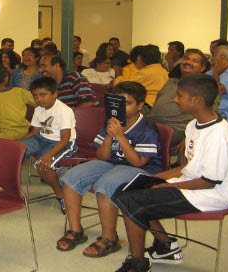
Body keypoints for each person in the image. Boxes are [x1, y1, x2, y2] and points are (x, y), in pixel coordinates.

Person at [111, 74, 228, 272]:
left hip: (212, 194)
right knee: (125, 190)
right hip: (191, 183)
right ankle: (165, 246)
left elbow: (209, 182)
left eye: (179, 95)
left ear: (196, 100)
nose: (174, 99)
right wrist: (152, 179)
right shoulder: (193, 125)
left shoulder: (219, 135)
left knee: (134, 201)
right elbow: (186, 167)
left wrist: (167, 186)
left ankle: (137, 262)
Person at [56, 82, 162, 258]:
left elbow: (138, 162)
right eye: (117, 104)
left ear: (140, 105)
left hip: (142, 169)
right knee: (71, 177)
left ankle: (109, 238)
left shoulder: (146, 128)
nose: (121, 108)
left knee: (106, 186)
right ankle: (76, 230)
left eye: (127, 103)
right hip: (112, 163)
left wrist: (120, 136)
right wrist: (109, 136)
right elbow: (102, 156)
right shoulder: (111, 122)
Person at [21, 76, 77, 212]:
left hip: (63, 142)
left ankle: (60, 194)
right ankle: (11, 190)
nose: (39, 99)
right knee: (14, 151)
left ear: (55, 94)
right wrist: (17, 143)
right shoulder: (39, 109)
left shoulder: (64, 111)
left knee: (43, 166)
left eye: (43, 95)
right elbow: (34, 132)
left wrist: (49, 155)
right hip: (41, 138)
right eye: (35, 96)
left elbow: (65, 139)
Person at [146, 49, 207, 148]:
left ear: (202, 67)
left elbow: (210, 116)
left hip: (177, 128)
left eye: (194, 61)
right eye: (186, 59)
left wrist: (190, 136)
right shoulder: (171, 82)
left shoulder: (204, 87)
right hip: (152, 122)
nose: (188, 62)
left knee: (140, 139)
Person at [0, 64, 35, 140]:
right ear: (6, 78)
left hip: (0, 138)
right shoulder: (20, 91)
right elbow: (38, 102)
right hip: (23, 135)